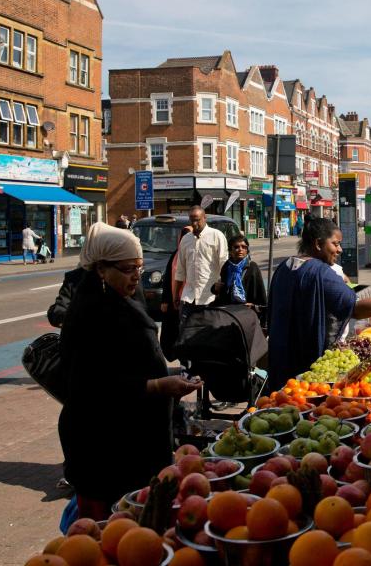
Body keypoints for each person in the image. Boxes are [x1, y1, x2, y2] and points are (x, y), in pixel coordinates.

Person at [58, 222, 201, 519]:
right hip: (104, 449)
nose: (137, 274)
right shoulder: (89, 313)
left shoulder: (125, 294)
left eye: (138, 266)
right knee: (116, 530)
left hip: (137, 441)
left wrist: (167, 376)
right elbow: (94, 387)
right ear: (100, 269)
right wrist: (160, 386)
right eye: (127, 268)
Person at [267, 217, 371, 389]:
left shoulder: (283, 268)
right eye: (335, 244)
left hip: (280, 362)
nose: (340, 249)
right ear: (318, 244)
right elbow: (356, 309)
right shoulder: (321, 273)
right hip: (307, 371)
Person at [174, 206, 228, 326]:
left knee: (208, 336)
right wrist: (176, 295)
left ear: (204, 218)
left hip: (210, 298)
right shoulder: (185, 240)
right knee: (185, 335)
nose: (194, 223)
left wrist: (222, 290)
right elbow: (180, 270)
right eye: (191, 220)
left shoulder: (216, 236)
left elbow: (224, 265)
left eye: (197, 220)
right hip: (189, 298)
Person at [213, 234, 267, 326]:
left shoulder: (252, 267)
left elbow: (261, 296)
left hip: (247, 314)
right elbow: (223, 292)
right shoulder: (227, 267)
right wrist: (215, 289)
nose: (240, 249)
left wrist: (255, 307)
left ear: (247, 250)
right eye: (236, 247)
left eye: (244, 247)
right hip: (229, 314)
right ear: (230, 250)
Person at [159, 226, 193, 359]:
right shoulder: (175, 254)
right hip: (175, 300)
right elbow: (168, 278)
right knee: (174, 332)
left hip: (191, 300)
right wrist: (165, 300)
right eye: (184, 235)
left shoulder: (195, 253)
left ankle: (187, 361)